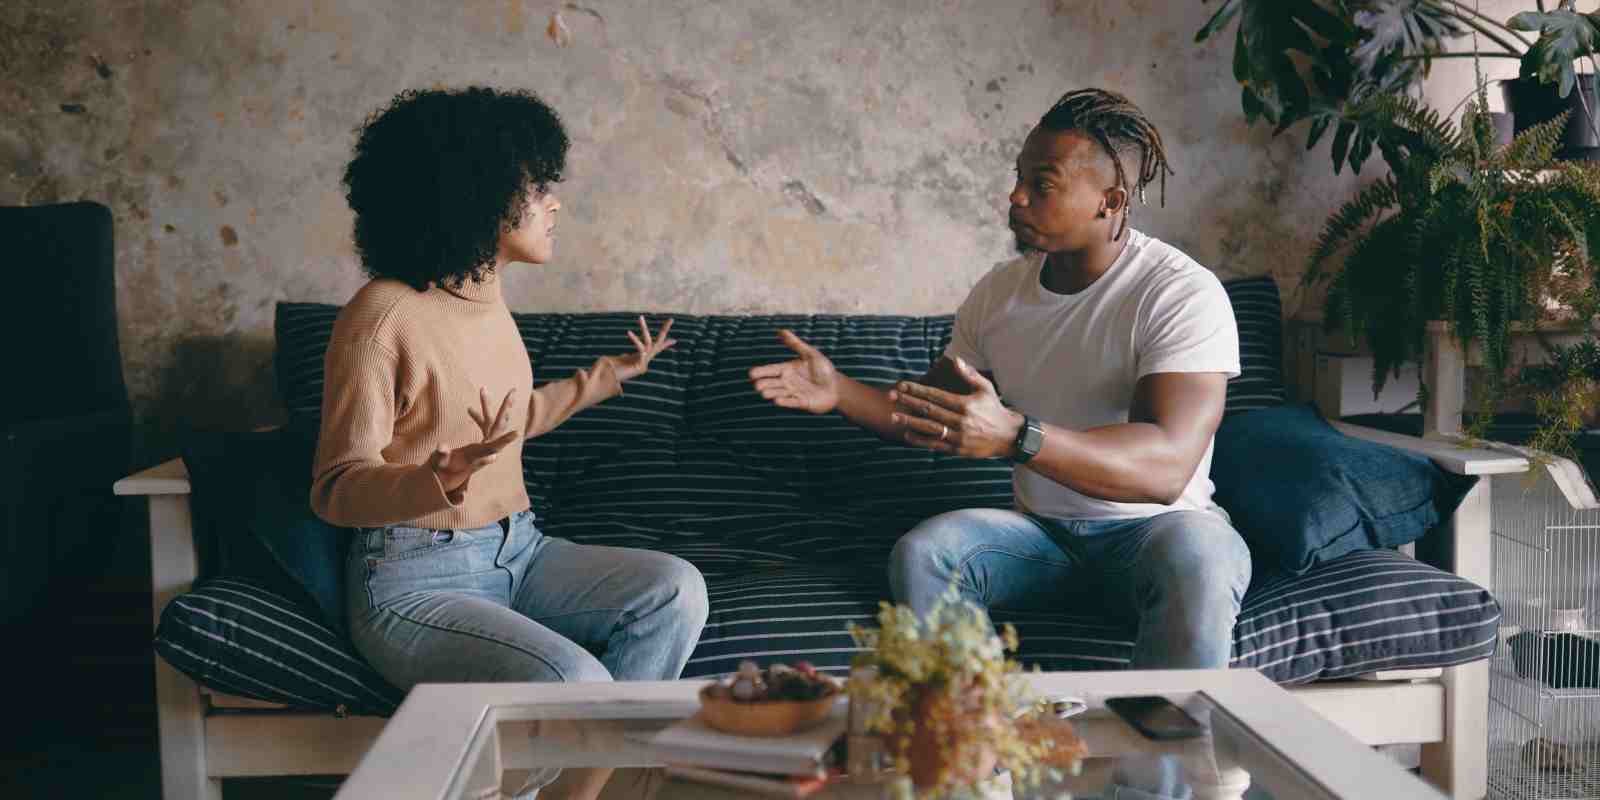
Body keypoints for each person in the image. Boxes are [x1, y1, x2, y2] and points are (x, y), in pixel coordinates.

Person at [748, 88, 1249, 669]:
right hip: (1041, 539)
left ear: (1109, 202)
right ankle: (976, 717)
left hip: (1157, 533)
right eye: (1018, 177)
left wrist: (1016, 436)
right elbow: (931, 409)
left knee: (1203, 556)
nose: (1016, 196)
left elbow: (1166, 467)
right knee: (926, 553)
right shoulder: (1000, 293)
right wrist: (838, 389)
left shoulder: (1179, 293)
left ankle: (1169, 730)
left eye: (1042, 183)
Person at [314, 85, 709, 704]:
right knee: (572, 681)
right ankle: (594, 754)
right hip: (413, 578)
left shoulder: (486, 298)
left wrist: (606, 375)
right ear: (476, 195)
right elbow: (337, 487)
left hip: (518, 548)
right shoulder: (381, 316)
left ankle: (597, 762)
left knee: (676, 590)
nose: (555, 204)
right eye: (537, 187)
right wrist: (433, 479)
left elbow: (504, 425)